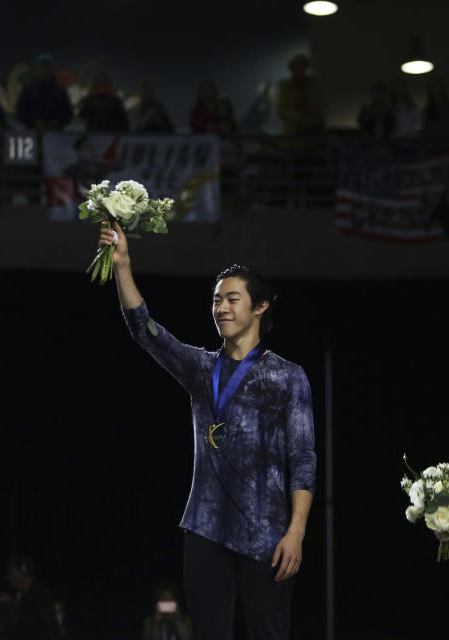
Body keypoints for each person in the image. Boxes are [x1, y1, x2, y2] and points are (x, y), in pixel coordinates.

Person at [98, 224, 316, 640]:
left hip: (266, 531)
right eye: (216, 300)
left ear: (260, 307)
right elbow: (146, 332)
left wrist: (297, 531)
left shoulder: (288, 376)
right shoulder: (200, 367)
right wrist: (123, 266)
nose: (221, 308)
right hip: (205, 528)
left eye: (232, 299)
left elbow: (303, 458)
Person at [6, 554, 63, 640]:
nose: (9, 578)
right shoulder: (20, 596)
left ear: (23, 573)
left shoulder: (39, 596)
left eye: (12, 574)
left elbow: (50, 630)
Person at [16, 53, 73, 132]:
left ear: (52, 69)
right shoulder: (29, 89)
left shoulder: (60, 90)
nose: (45, 70)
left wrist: (57, 123)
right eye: (42, 66)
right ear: (37, 68)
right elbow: (20, 112)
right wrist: (34, 121)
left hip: (55, 133)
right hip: (33, 133)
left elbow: (68, 114)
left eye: (47, 67)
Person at [275, 53, 325, 135]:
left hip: (314, 130)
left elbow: (321, 105)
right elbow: (281, 110)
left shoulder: (314, 84)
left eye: (302, 66)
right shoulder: (285, 86)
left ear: (306, 67)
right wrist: (299, 118)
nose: (299, 69)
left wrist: (313, 119)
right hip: (293, 131)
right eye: (297, 66)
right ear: (292, 68)